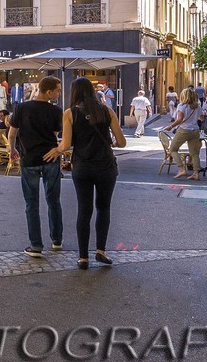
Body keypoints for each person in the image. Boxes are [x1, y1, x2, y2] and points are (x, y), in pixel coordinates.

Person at [52, 76, 127, 269]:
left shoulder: (70, 113)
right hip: (106, 167)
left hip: (82, 167)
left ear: (74, 92)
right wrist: (109, 140)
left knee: (84, 210)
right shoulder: (107, 111)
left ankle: (83, 257)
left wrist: (56, 149)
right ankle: (100, 251)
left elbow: (67, 144)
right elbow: (122, 142)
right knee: (103, 208)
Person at [11, 76, 64, 256]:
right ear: (48, 92)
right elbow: (55, 134)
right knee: (53, 201)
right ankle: (56, 239)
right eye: (58, 90)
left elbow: (12, 133)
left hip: (29, 160)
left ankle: (36, 245)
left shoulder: (22, 108)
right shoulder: (57, 111)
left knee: (31, 203)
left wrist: (12, 150)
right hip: (50, 159)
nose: (59, 93)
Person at [157, 87, 206, 180]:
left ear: (184, 96)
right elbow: (202, 118)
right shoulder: (197, 106)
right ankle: (196, 173)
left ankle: (181, 169)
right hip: (195, 131)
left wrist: (171, 126)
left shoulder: (182, 106)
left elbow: (179, 119)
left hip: (184, 130)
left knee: (172, 149)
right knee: (194, 153)